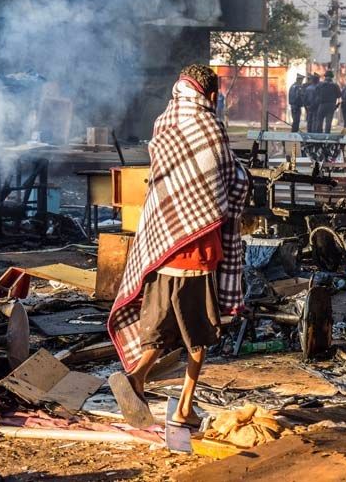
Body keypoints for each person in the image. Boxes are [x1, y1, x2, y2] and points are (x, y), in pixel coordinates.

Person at [107, 64, 250, 429]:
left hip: (160, 249)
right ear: (212, 96)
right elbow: (224, 180)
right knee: (198, 338)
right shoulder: (210, 127)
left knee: (163, 330)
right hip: (196, 253)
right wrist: (242, 177)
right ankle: (185, 406)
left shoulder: (164, 125)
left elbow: (170, 184)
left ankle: (136, 378)